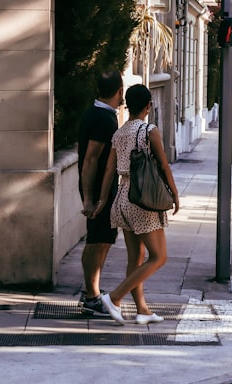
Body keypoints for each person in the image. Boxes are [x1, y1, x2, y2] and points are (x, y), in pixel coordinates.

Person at [93, 84, 180, 325]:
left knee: (136, 258)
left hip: (122, 198)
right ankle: (115, 297)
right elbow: (164, 165)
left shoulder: (119, 133)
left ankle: (142, 309)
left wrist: (102, 200)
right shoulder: (149, 130)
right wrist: (174, 194)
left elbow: (110, 170)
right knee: (159, 257)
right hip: (142, 200)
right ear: (148, 106)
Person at [77, 69, 124, 317]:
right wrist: (90, 197)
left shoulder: (98, 114)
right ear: (120, 90)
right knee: (96, 241)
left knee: (103, 239)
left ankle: (92, 291)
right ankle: (91, 297)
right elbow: (91, 160)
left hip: (100, 189)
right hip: (97, 189)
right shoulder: (104, 119)